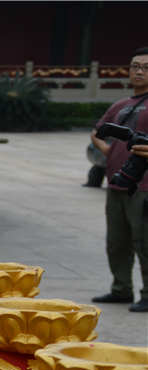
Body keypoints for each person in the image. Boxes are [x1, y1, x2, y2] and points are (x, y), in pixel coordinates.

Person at [90, 47, 148, 312]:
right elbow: (96, 133)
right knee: (117, 241)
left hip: (144, 186)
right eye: (135, 66)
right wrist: (110, 152)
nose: (138, 71)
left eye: (146, 67)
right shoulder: (120, 105)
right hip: (115, 182)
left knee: (144, 241)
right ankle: (121, 289)